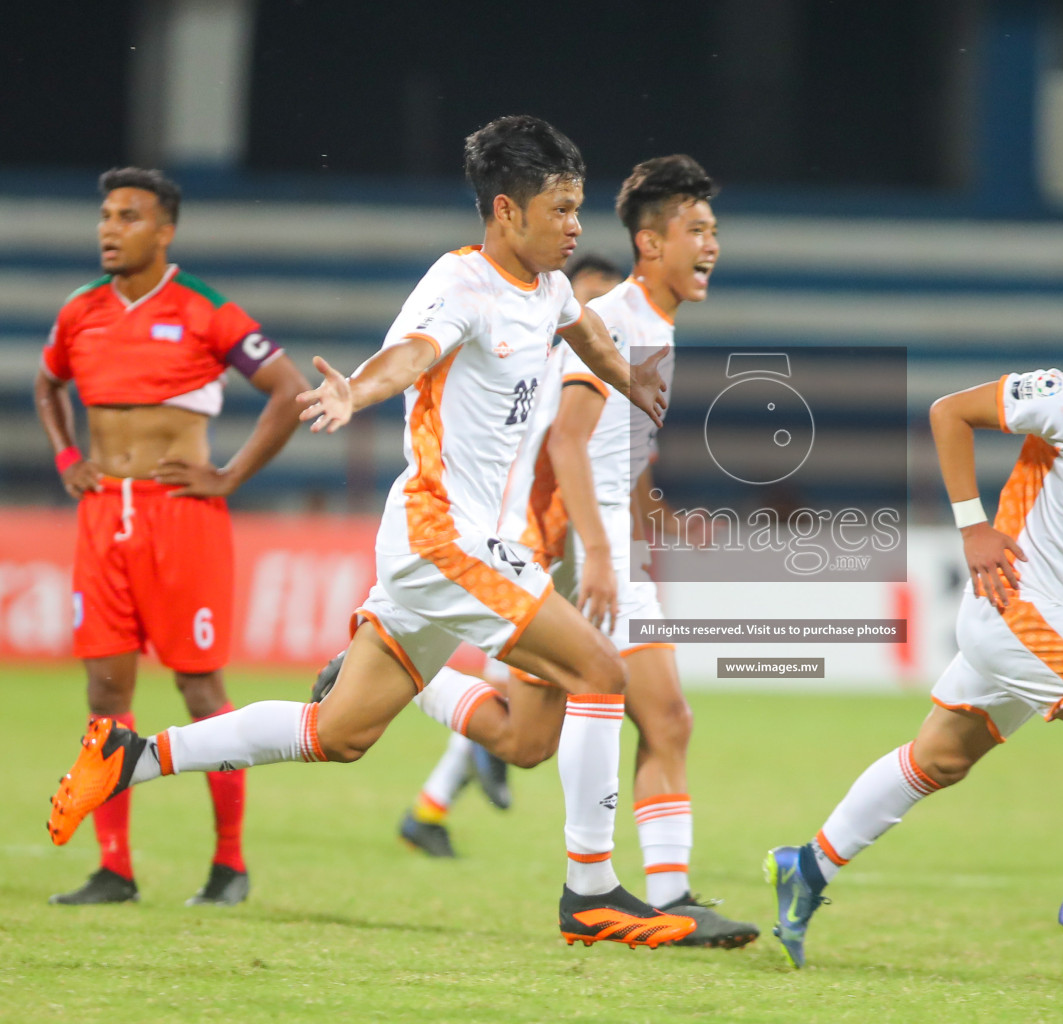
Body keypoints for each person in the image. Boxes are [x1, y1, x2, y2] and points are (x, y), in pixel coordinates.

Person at [47, 115, 697, 949]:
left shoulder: (553, 285)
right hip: (446, 537)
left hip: (448, 549)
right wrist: (355, 392)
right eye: (562, 209)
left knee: (358, 735)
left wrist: (632, 383)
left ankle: (131, 756)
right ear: (506, 210)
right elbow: (412, 355)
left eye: (578, 208)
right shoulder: (458, 287)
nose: (577, 226)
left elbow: (587, 334)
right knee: (601, 671)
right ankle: (593, 894)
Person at [765, 260, 1063, 968]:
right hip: (1014, 603)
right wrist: (971, 527)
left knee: (938, 759)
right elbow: (949, 412)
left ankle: (806, 868)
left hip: (1058, 610)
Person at [388, 155, 756, 948]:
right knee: (663, 716)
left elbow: (622, 454)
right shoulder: (618, 319)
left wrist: (649, 520)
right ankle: (653, 895)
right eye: (697, 230)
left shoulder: (652, 327)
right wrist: (594, 550)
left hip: (602, 543)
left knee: (533, 740)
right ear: (650, 243)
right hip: (574, 547)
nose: (712, 245)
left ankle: (418, 686)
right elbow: (570, 440)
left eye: (715, 231)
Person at [34, 167, 308, 906]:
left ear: (164, 231)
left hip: (180, 516)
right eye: (105, 215)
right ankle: (114, 869)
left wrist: (231, 475)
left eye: (128, 216)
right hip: (102, 517)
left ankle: (228, 865)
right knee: (104, 690)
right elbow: (47, 382)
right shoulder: (80, 312)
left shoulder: (206, 311)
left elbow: (288, 390)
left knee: (199, 688)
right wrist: (67, 456)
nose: (109, 228)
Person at [389, 257, 629, 860]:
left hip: (563, 546)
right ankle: (416, 707)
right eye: (590, 298)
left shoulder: (583, 362)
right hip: (526, 540)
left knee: (534, 721)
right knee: (560, 709)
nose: (597, 313)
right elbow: (552, 448)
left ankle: (430, 805)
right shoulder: (540, 361)